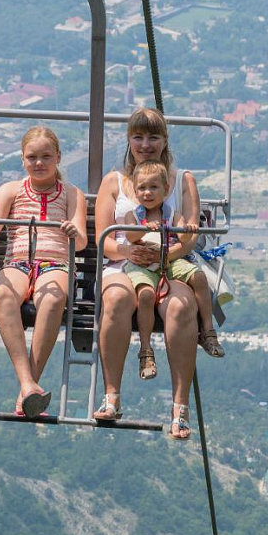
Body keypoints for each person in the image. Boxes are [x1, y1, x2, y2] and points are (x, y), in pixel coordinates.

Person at [93, 107, 210, 439]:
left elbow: (189, 235)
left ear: (164, 141)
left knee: (181, 306)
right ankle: (112, 395)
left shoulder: (182, 180)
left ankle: (180, 409)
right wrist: (129, 251)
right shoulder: (113, 182)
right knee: (116, 299)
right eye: (139, 137)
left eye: (153, 137)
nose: (145, 144)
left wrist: (163, 254)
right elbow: (104, 238)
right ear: (129, 140)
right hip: (122, 263)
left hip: (170, 263)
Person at [0, 127, 87, 418]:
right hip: (18, 261)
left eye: (46, 156)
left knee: (53, 298)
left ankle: (27, 387)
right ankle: (28, 384)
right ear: (23, 160)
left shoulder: (71, 194)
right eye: (32, 157)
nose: (39, 163)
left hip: (55, 261)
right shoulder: (11, 190)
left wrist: (71, 232)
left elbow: (80, 242)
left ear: (58, 157)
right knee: (4, 294)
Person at [122, 160, 222, 382]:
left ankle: (208, 329)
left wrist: (188, 230)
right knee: (146, 295)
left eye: (153, 188)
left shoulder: (172, 213)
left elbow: (185, 239)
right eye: (142, 188)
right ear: (135, 190)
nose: (147, 193)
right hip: (143, 263)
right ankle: (146, 349)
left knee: (198, 276)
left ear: (166, 190)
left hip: (169, 259)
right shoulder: (134, 215)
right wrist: (141, 230)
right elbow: (130, 237)